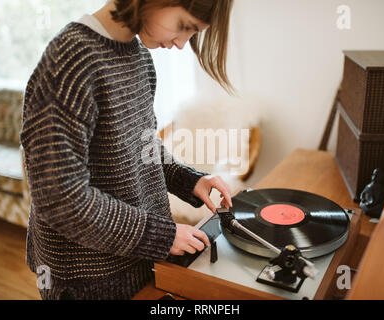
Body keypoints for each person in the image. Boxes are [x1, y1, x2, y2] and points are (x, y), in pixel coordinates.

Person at [20, 0, 235, 300]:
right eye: (184, 26)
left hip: (137, 261)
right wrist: (162, 236)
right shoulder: (69, 61)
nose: (181, 44)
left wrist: (190, 180)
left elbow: (142, 147)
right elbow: (60, 199)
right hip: (86, 279)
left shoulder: (140, 57)